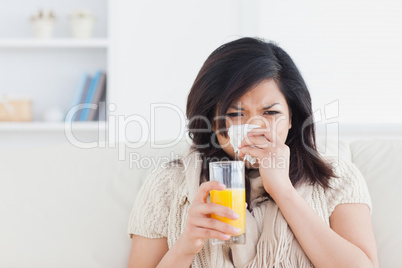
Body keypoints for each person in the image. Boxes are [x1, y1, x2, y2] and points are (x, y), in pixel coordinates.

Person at [127, 37, 379, 267]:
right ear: (212, 122)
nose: (255, 128)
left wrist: (283, 191)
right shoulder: (170, 185)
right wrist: (186, 245)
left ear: (292, 118)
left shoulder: (336, 178)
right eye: (236, 114)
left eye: (271, 113)